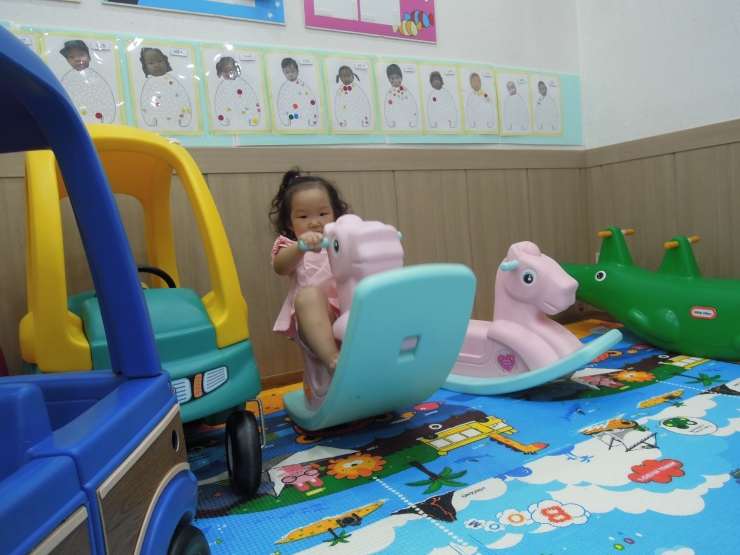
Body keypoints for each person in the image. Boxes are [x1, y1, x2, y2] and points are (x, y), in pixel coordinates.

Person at [269, 169, 351, 374]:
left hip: (351, 314)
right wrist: (300, 247)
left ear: (335, 215)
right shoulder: (291, 245)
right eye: (303, 216)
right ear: (290, 223)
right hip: (315, 322)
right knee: (309, 296)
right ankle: (332, 358)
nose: (314, 222)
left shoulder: (344, 241)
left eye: (323, 214)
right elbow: (281, 267)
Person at [59, 39, 116, 123]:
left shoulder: (97, 78)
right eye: (71, 57)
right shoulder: (67, 79)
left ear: (89, 57)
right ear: (68, 61)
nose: (77, 59)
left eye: (80, 55)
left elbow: (107, 100)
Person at [139, 47, 192, 127]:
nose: (157, 65)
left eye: (160, 61)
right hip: (157, 126)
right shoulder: (148, 86)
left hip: (177, 121)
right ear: (145, 67)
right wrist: (150, 121)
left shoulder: (174, 82)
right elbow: (145, 105)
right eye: (151, 63)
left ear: (166, 62)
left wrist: (185, 120)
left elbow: (184, 100)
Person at [213, 56, 261, 127]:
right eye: (225, 71)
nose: (228, 73)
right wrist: (223, 121)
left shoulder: (243, 84)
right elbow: (219, 104)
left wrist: (255, 119)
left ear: (236, 69)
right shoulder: (221, 87)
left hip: (246, 115)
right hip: (229, 120)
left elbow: (252, 100)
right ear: (221, 72)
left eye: (231, 70)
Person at [276, 57, 319, 127]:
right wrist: (285, 121)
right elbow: (281, 105)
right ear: (283, 73)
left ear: (297, 71)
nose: (290, 75)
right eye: (287, 72)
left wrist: (313, 120)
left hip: (305, 121)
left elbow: (311, 102)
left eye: (293, 71)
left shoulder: (304, 87)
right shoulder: (284, 89)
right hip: (291, 122)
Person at [383, 63, 418, 129]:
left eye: (397, 78)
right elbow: (388, 109)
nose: (396, 81)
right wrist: (390, 122)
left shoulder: (406, 92)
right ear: (389, 80)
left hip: (408, 122)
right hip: (395, 124)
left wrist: (413, 121)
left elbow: (412, 105)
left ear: (401, 78)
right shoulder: (389, 94)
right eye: (392, 78)